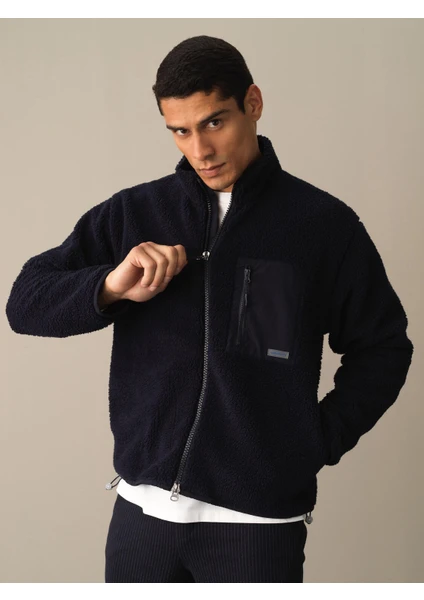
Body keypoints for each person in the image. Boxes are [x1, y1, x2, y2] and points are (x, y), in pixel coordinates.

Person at [5, 35, 414, 583]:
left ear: (253, 104)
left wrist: (314, 439)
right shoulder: (135, 213)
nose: (199, 149)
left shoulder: (321, 226)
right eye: (179, 131)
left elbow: (383, 348)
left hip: (255, 527)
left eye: (213, 122)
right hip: (141, 518)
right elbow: (25, 303)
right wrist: (109, 286)